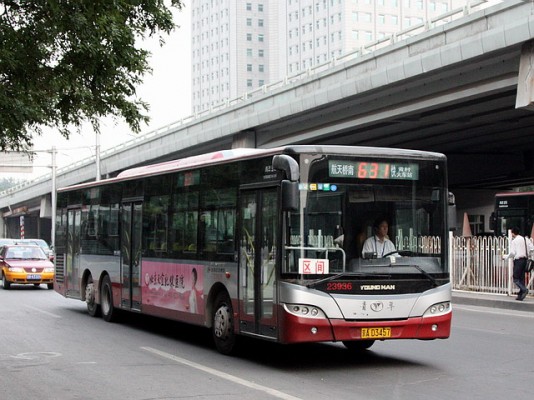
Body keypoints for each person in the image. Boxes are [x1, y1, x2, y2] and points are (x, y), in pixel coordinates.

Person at [503, 226, 534, 301]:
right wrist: (528, 253)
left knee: (516, 278)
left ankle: (524, 289)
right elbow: (532, 248)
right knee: (521, 278)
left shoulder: (514, 241)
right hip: (525, 260)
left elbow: (513, 253)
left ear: (513, 233)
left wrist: (505, 257)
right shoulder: (525, 239)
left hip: (518, 261)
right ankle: (520, 295)